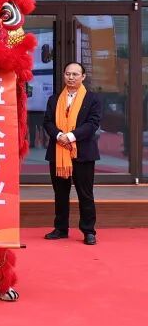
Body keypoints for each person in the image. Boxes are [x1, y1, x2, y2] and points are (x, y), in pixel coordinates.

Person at [44, 61, 102, 245]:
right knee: (60, 193)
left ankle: (88, 231)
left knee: (85, 193)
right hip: (58, 151)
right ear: (64, 75)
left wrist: (70, 136)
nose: (71, 77)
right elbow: (47, 122)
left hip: (83, 153)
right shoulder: (54, 99)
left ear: (83, 77)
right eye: (68, 74)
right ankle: (61, 228)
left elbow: (93, 124)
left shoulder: (92, 99)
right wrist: (59, 135)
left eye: (75, 74)